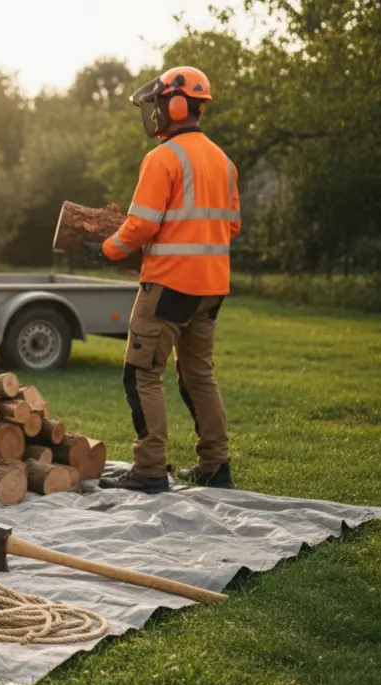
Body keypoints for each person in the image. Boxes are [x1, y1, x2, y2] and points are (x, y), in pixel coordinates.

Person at [84, 65, 241, 493]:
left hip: (169, 286)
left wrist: (106, 249)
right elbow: (230, 227)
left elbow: (140, 226)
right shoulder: (224, 163)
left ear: (175, 105)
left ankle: (150, 469)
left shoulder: (163, 158)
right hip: (212, 288)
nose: (153, 113)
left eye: (156, 104)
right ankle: (215, 465)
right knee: (199, 376)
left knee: (142, 373)